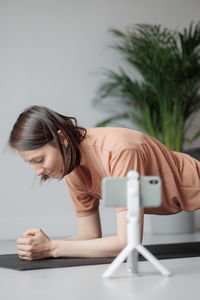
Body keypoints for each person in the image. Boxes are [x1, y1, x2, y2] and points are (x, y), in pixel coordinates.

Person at [9, 105, 200, 261]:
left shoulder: (118, 152)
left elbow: (127, 243)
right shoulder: (72, 170)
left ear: (62, 139)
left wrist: (52, 249)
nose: (37, 171)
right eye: (31, 163)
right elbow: (89, 234)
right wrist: (42, 246)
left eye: (39, 160)